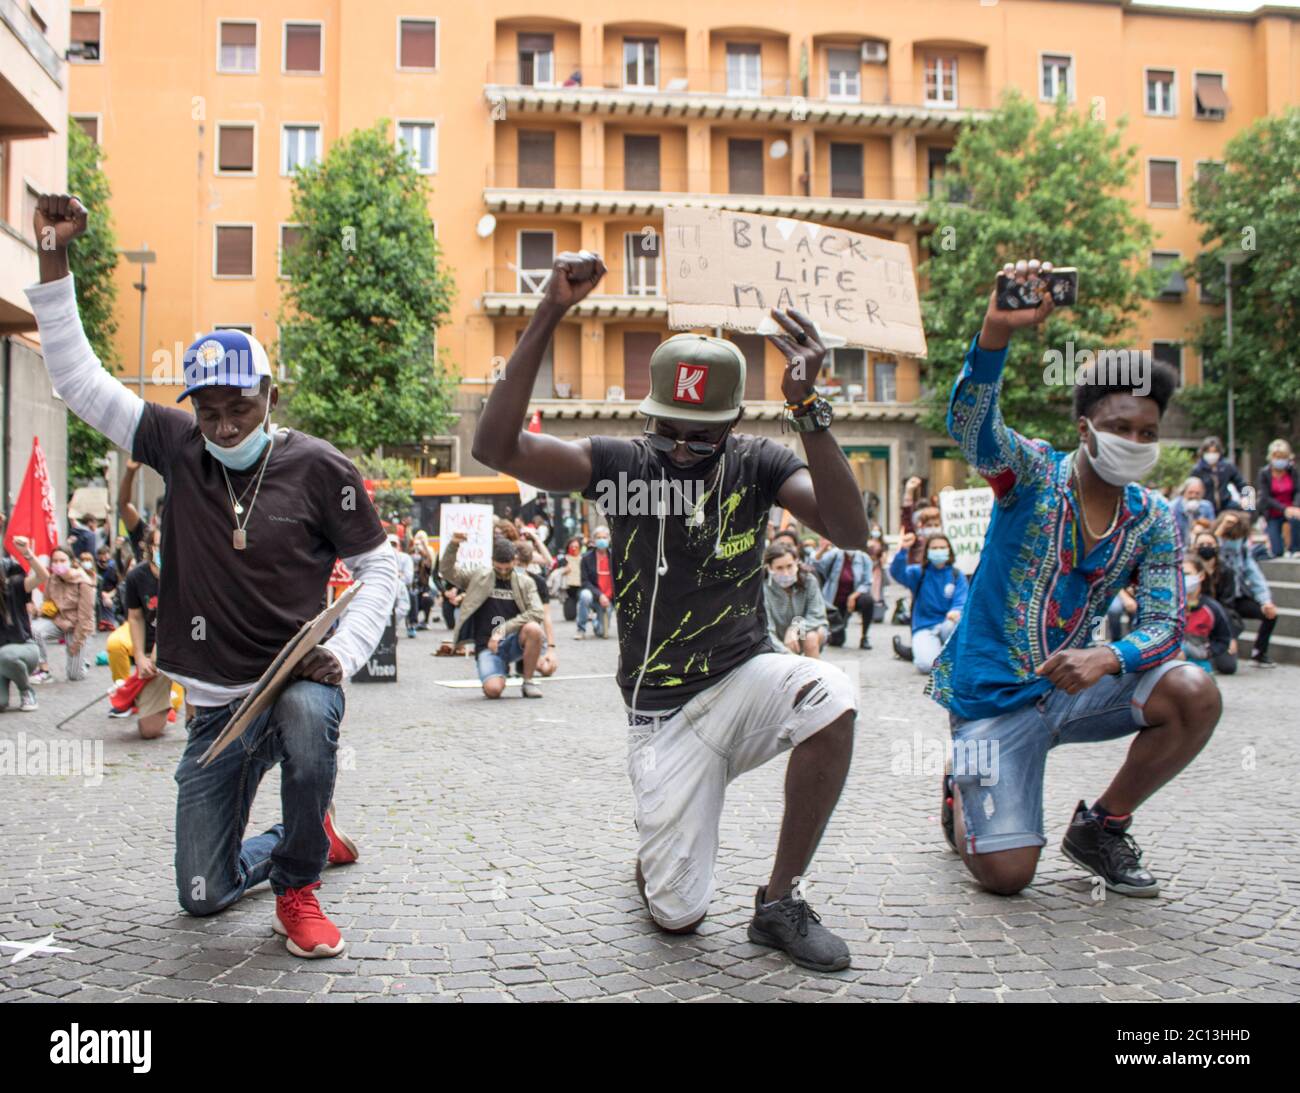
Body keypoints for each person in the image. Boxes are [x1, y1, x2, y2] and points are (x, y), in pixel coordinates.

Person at [25, 193, 399, 959]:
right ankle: (307, 834)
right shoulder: (174, 443)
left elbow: (380, 564)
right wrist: (54, 255)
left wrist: (348, 651)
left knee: (305, 716)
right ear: (189, 404)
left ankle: (297, 885)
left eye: (240, 408)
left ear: (270, 395)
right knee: (201, 894)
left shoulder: (320, 465)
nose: (225, 426)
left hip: (293, 679)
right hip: (216, 708)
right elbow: (78, 378)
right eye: (209, 411)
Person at [472, 249, 862, 971]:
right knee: (678, 915)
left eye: (702, 436)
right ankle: (659, 849)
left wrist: (809, 409)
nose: (682, 450)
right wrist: (551, 307)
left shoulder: (762, 463)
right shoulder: (620, 464)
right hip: (662, 711)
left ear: (735, 422)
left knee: (832, 695)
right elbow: (496, 445)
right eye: (668, 431)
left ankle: (779, 900)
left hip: (745, 675)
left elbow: (851, 530)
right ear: (648, 418)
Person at [933, 257, 1220, 899]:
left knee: (1194, 692)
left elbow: (1166, 623)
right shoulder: (1029, 475)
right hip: (988, 699)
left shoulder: (1152, 516)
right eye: (1121, 428)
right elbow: (974, 432)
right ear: (1085, 429)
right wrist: (995, 332)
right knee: (1008, 878)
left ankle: (1102, 827)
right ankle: (960, 790)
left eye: (1148, 432)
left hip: (1075, 690)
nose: (1135, 441)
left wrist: (1109, 657)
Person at [439, 532, 546, 698]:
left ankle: (528, 681)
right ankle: (498, 670)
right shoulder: (479, 575)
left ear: (515, 560)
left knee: (534, 629)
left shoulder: (525, 580)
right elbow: (447, 571)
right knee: (493, 690)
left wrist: (502, 630)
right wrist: (453, 545)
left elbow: (537, 612)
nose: (503, 571)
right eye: (498, 567)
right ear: (491, 561)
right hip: (486, 645)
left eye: (508, 567)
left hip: (512, 640)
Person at [122, 526, 186, 737]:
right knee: (148, 731)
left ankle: (192, 708)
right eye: (160, 545)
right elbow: (135, 617)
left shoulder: (187, 571)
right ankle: (168, 702)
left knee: (199, 723)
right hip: (155, 652)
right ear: (150, 547)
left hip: (190, 645)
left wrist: (163, 647)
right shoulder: (136, 577)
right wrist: (140, 656)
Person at [889, 531, 967, 674]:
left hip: (947, 625)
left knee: (953, 627)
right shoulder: (918, 573)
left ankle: (946, 655)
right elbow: (896, 573)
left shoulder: (957, 575)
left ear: (949, 550)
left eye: (942, 548)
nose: (939, 551)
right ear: (927, 551)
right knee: (926, 665)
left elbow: (961, 600)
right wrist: (903, 550)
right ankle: (933, 654)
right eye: (934, 548)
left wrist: (956, 611)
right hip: (924, 627)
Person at [1210, 510, 1278, 668]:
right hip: (1218, 600)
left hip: (1237, 597)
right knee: (1228, 666)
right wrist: (1221, 530)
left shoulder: (1242, 549)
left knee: (1270, 615)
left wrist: (1266, 601)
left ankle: (1259, 653)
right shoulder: (1212, 542)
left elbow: (1255, 576)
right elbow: (1211, 556)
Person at [30, 544, 95, 682]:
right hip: (57, 622)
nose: (58, 564)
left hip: (77, 627)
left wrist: (76, 644)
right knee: (34, 629)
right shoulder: (51, 579)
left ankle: (82, 661)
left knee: (74, 676)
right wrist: (38, 611)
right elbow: (47, 604)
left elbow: (85, 619)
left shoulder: (84, 583)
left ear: (71, 561)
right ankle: (44, 670)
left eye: (62, 560)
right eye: (55, 561)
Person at [0, 529, 48, 711]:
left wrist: (27, 553)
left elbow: (43, 576)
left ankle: (26, 690)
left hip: (24, 649)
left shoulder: (14, 586)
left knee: (5, 656)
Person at [763, 541, 829, 657]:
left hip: (804, 631)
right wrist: (788, 655)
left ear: (797, 563)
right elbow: (767, 631)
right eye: (779, 568)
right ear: (769, 568)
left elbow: (817, 615)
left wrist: (795, 628)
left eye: (789, 566)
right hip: (776, 640)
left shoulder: (808, 581)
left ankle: (815, 673)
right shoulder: (763, 589)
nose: (786, 573)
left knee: (810, 638)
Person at [1181, 555, 1236, 675]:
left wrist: (1207, 652)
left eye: (1187, 574)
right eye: (1179, 574)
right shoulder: (1169, 606)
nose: (1183, 578)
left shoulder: (1211, 607)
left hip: (1200, 662)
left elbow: (1223, 638)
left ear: (1200, 576)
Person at [815, 541, 874, 649]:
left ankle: (864, 636)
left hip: (853, 600)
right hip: (835, 602)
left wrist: (854, 596)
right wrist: (822, 550)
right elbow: (815, 564)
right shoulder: (835, 555)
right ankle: (834, 632)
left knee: (868, 600)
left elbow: (867, 582)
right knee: (837, 641)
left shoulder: (864, 558)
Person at [516, 541, 558, 677]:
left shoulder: (538, 582)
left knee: (547, 668)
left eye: (521, 565)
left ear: (528, 563)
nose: (517, 569)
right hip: (506, 630)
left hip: (530, 632)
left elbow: (546, 616)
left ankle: (524, 660)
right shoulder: (501, 580)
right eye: (515, 565)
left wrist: (551, 649)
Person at [1258, 438, 1300, 558]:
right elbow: (1265, 497)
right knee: (1277, 551)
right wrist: (1284, 509)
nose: (1280, 460)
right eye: (1277, 457)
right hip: (1273, 512)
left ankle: (1296, 549)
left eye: (1283, 457)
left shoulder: (1292, 471)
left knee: (1296, 518)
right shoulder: (1264, 473)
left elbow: (1298, 490)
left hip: (1292, 510)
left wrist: (1295, 507)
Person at [1192, 436, 1248, 513]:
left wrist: (1245, 497)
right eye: (1208, 452)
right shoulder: (1197, 469)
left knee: (1244, 511)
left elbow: (1241, 483)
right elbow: (1192, 488)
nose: (1211, 455)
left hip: (1226, 504)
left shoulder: (1227, 467)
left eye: (1214, 452)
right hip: (1206, 507)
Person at [576, 526, 614, 640]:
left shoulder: (615, 557)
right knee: (584, 595)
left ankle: (594, 620)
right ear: (593, 540)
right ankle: (581, 629)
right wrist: (600, 595)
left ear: (609, 539)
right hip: (594, 596)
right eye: (598, 537)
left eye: (604, 537)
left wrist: (609, 598)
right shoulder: (586, 558)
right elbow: (585, 582)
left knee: (601, 632)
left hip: (608, 600)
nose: (602, 540)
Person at [1170, 476, 1215, 552]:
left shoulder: (1207, 506)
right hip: (1179, 549)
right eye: (1190, 492)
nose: (1193, 496)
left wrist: (1203, 529)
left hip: (1199, 549)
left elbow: (1213, 528)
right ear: (1184, 492)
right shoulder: (1173, 507)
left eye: (1197, 493)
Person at [389, 534, 416, 639]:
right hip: (387, 586)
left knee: (412, 596)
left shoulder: (405, 558)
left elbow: (409, 578)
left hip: (401, 586)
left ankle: (411, 624)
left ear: (399, 546)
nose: (392, 547)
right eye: (389, 544)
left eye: (394, 544)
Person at [558, 535, 584, 621]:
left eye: (576, 547)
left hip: (582, 586)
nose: (574, 548)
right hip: (569, 589)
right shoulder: (563, 559)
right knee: (570, 616)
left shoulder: (584, 559)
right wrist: (563, 570)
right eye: (572, 546)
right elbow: (557, 573)